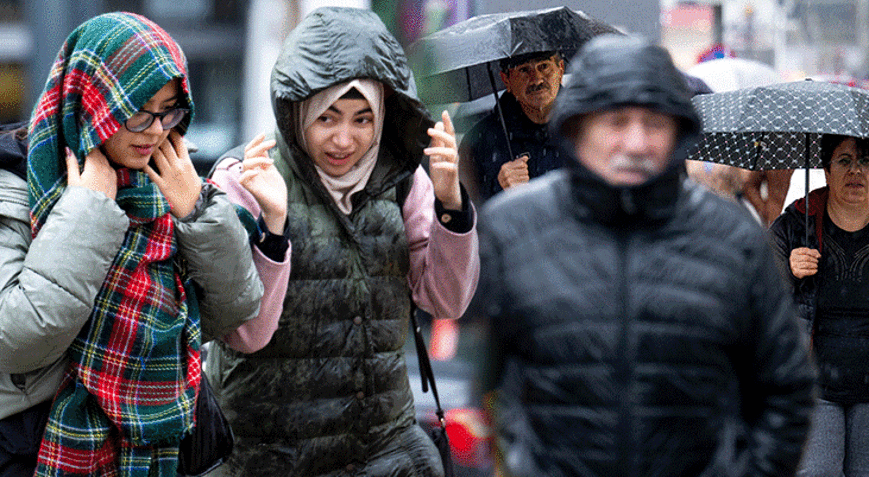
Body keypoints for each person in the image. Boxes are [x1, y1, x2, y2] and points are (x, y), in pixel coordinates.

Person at [476, 34, 816, 476]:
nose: (635, 143)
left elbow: (785, 387)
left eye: (654, 124)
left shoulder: (731, 238)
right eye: (616, 122)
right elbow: (474, 382)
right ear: (578, 127)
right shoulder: (512, 230)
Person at [204, 7, 480, 477]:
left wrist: (450, 203)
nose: (344, 140)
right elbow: (244, 335)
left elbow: (447, 302)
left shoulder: (401, 180)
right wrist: (273, 224)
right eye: (327, 117)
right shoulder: (244, 179)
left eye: (362, 118)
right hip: (269, 456)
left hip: (383, 455)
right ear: (297, 110)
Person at [13, 12, 276, 476]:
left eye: (170, 110)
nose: (156, 130)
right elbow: (19, 338)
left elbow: (230, 311)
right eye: (138, 110)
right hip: (46, 441)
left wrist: (196, 208)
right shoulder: (18, 189)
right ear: (95, 104)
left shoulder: (170, 189)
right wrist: (88, 213)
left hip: (164, 448)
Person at [770, 134, 869, 476]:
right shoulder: (796, 224)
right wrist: (788, 270)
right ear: (825, 170)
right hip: (815, 384)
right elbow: (757, 292)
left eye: (866, 161)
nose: (857, 171)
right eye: (844, 160)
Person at [458, 50, 566, 204]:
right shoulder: (478, 140)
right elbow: (469, 215)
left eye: (544, 66)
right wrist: (501, 192)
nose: (536, 80)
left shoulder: (586, 126)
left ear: (560, 70)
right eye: (523, 70)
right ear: (506, 80)